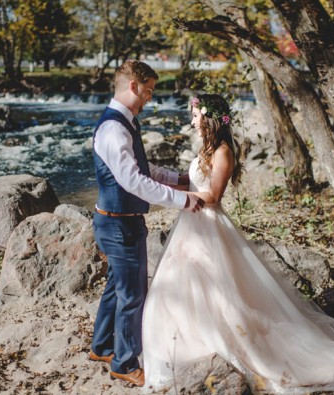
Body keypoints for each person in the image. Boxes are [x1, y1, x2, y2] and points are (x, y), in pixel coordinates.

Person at [142, 94, 334, 394]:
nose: (191, 120)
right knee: (181, 286)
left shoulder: (223, 151)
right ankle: (185, 349)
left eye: (195, 115)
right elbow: (191, 180)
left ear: (208, 119)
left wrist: (178, 200)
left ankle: (229, 347)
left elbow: (214, 196)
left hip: (207, 225)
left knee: (217, 291)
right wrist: (157, 178)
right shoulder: (206, 150)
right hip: (190, 224)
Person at [90, 59, 204, 387]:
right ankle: (124, 364)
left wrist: (178, 179)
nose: (148, 100)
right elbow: (133, 182)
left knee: (116, 286)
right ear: (134, 87)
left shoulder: (125, 123)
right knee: (133, 294)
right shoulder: (113, 128)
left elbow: (144, 168)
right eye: (149, 92)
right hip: (118, 224)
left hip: (119, 221)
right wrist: (184, 200)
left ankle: (101, 347)